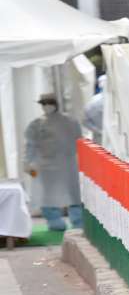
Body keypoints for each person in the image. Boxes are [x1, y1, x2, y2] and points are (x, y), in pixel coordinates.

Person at [24, 93, 83, 230]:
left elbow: (79, 143)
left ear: (56, 103)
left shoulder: (70, 122)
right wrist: (27, 163)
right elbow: (30, 145)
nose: (46, 106)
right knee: (48, 195)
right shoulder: (36, 124)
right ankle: (55, 222)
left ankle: (78, 221)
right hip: (46, 166)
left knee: (73, 194)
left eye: (49, 103)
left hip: (68, 164)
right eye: (43, 103)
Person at [83, 74, 106, 144]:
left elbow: (84, 120)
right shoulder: (117, 101)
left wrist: (98, 131)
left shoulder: (92, 101)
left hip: (99, 137)